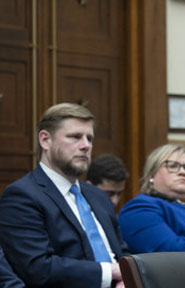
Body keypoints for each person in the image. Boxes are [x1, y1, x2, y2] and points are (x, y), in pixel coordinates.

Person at [0, 103, 128, 288]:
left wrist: (128, 277)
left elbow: (122, 251)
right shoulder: (22, 196)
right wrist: (111, 272)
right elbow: (38, 268)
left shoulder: (98, 196)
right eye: (75, 137)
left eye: (89, 138)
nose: (86, 146)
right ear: (45, 140)